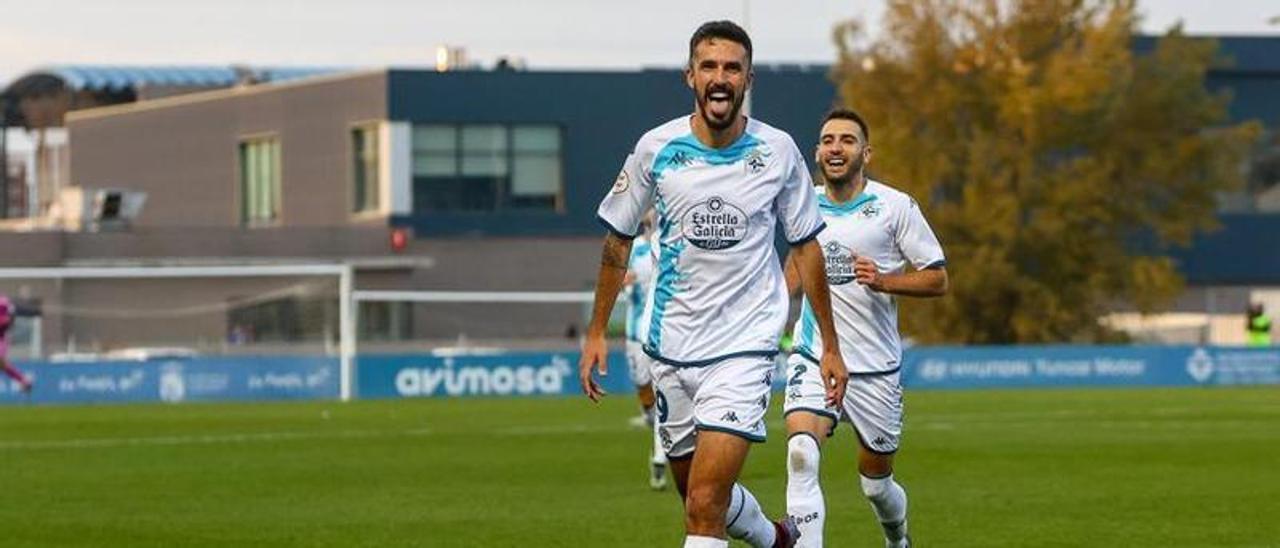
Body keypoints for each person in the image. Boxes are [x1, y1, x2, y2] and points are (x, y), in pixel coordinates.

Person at [580, 20, 847, 548]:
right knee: (699, 497)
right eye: (709, 66)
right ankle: (777, 540)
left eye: (732, 67)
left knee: (704, 506)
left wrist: (831, 346)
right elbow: (618, 241)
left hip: (745, 350)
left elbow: (806, 246)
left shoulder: (778, 151)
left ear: (748, 79)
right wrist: (595, 331)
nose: (720, 77)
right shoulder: (656, 149)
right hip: (672, 349)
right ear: (690, 77)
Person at [782, 109, 948, 548]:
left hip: (875, 368)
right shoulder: (804, 204)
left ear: (866, 153)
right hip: (815, 357)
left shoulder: (895, 206)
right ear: (817, 152)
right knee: (801, 453)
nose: (836, 148)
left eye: (847, 140)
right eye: (827, 140)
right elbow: (795, 270)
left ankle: (898, 540)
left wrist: (885, 280)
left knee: (876, 485)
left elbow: (937, 277)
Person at [623, 213, 669, 489]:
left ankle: (660, 456)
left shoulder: (676, 240)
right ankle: (656, 427)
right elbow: (621, 279)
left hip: (665, 331)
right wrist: (625, 280)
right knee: (644, 389)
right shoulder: (635, 248)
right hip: (635, 331)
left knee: (664, 391)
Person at [0, 295, 34, 395]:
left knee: (1, 362)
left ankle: (24, 380)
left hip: (1, 338)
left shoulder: (4, 302)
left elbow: (8, 320)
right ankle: (24, 380)